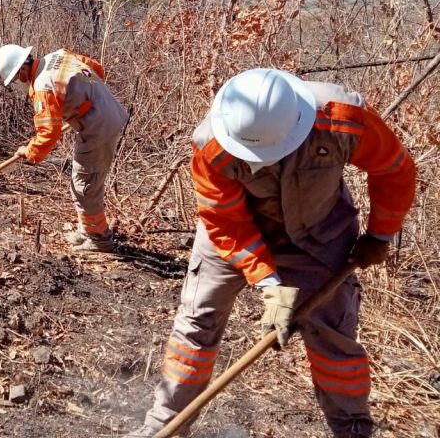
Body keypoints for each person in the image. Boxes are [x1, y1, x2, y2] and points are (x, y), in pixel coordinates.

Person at [129, 68, 416, 437]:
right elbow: (226, 222)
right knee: (197, 323)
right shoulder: (212, 144)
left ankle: (353, 430)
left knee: (333, 337)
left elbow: (394, 169)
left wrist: (380, 234)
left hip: (320, 235)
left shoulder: (342, 118)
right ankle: (164, 426)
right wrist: (267, 281)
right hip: (232, 233)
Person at [0, 44, 128, 252]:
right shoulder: (59, 55)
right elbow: (96, 69)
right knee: (84, 181)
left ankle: (99, 239)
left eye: (15, 79)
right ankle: (88, 230)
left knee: (84, 183)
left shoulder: (42, 87)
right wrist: (85, 99)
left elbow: (49, 133)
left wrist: (29, 152)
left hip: (98, 124)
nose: (17, 83)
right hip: (107, 110)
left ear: (21, 70)